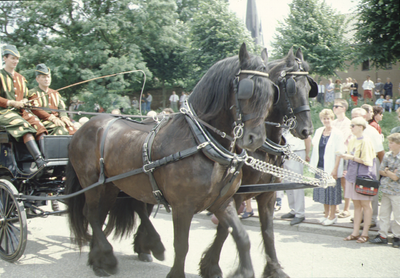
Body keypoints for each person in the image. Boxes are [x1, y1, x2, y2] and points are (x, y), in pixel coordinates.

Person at [0, 45, 47, 168]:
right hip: (4, 113)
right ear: (4, 58)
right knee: (24, 126)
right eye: (12, 58)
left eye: (17, 59)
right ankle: (39, 161)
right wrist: (11, 103)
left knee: (39, 125)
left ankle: (46, 158)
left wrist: (25, 101)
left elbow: (26, 95)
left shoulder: (21, 78)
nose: (15, 61)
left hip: (21, 112)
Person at [341, 117, 376, 243]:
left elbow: (367, 161)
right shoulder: (353, 140)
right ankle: (355, 232)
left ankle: (365, 233)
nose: (351, 128)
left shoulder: (366, 141)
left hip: (363, 176)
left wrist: (351, 157)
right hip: (352, 176)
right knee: (356, 205)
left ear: (361, 127)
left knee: (366, 205)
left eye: (353, 125)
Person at [310, 109, 345, 226]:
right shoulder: (319, 131)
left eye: (328, 118)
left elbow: (339, 153)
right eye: (324, 118)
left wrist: (335, 169)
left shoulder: (337, 133)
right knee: (323, 191)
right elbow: (314, 146)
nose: (326, 120)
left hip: (331, 167)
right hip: (320, 166)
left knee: (332, 192)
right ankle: (326, 214)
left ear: (332, 119)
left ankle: (332, 216)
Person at [369, 133, 400, 247]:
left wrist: (388, 172)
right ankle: (382, 235)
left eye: (392, 143)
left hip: (397, 191)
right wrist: (390, 172)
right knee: (384, 214)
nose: (389, 145)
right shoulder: (387, 155)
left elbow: (396, 177)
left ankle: (397, 237)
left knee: (398, 216)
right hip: (386, 189)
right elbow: (381, 171)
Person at [357, 106, 385, 228]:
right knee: (359, 189)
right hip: (358, 162)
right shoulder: (354, 130)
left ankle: (372, 218)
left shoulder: (371, 130)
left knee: (371, 190)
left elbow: (380, 152)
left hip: (372, 161)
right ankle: (362, 216)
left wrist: (382, 168)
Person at [29, 64, 76, 135]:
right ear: (37, 79)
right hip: (43, 121)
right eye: (43, 77)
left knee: (73, 130)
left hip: (59, 120)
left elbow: (61, 108)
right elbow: (36, 110)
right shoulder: (33, 93)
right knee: (60, 131)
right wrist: (52, 118)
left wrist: (64, 117)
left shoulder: (55, 93)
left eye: (48, 77)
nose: (46, 79)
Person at [280, 131, 311, 225]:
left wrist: (306, 154)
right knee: (288, 184)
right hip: (285, 153)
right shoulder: (285, 122)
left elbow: (308, 139)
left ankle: (300, 214)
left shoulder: (299, 122)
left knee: (296, 185)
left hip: (297, 152)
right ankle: (293, 210)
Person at [332, 99, 352, 218]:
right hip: (333, 155)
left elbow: (341, 138)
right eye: (334, 106)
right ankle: (335, 206)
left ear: (343, 108)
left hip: (343, 154)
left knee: (344, 182)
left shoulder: (347, 123)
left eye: (337, 106)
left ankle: (347, 208)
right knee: (334, 181)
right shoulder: (333, 122)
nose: (334, 108)